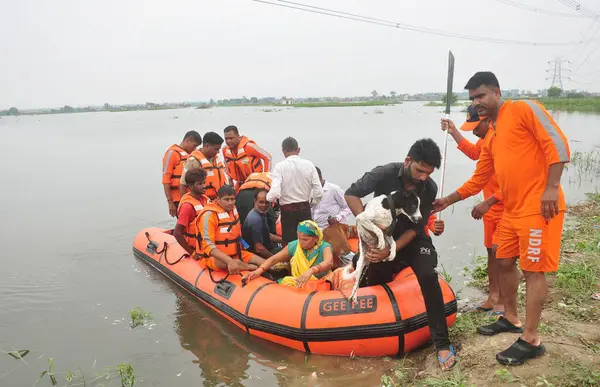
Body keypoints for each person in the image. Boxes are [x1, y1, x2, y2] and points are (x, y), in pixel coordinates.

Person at [433, 71, 570, 366]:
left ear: (496, 91)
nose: (477, 103)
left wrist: (552, 187)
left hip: (538, 208)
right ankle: (510, 316)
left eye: (481, 96)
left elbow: (557, 144)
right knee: (504, 259)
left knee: (534, 271)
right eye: (472, 99)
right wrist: (447, 200)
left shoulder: (522, 109)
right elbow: (478, 177)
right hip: (512, 210)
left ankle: (531, 338)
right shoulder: (492, 133)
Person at [344, 138, 456, 371]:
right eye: (419, 170)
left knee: (427, 275)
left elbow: (417, 228)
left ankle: (442, 343)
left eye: (428, 173)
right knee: (373, 276)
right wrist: (367, 228)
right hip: (382, 235)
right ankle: (372, 335)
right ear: (408, 161)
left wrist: (391, 249)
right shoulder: (383, 174)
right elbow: (351, 194)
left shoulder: (430, 188)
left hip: (410, 239)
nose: (423, 177)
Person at [441, 105, 505, 315]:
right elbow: (474, 154)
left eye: (476, 126)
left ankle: (504, 300)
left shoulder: (504, 139)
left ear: (488, 120)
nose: (473, 131)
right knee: (490, 251)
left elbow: (518, 180)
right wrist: (454, 132)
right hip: (490, 207)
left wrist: (489, 201)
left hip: (507, 206)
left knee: (501, 252)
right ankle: (493, 295)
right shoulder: (485, 140)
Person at [242, 220, 334, 288]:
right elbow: (274, 259)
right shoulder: (295, 245)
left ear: (316, 238)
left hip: (321, 282)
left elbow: (329, 262)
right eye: (299, 238)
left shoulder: (324, 247)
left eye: (305, 239)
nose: (301, 242)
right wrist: (259, 271)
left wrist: (311, 271)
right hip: (297, 281)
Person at [195, 185, 265, 274]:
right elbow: (208, 246)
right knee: (222, 262)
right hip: (215, 259)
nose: (230, 203)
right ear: (218, 199)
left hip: (236, 254)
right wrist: (229, 261)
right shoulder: (209, 216)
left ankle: (260, 268)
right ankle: (249, 267)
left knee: (264, 262)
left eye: (232, 199)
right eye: (226, 199)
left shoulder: (233, 209)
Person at [266, 137, 324, 245]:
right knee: (308, 242)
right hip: (305, 210)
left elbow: (274, 193)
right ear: (298, 150)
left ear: (283, 151)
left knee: (290, 245)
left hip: (288, 213)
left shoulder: (279, 167)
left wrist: (267, 198)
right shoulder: (309, 165)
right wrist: (310, 204)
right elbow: (319, 192)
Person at [161, 131, 202, 217]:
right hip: (177, 198)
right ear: (187, 140)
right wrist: (170, 202)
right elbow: (166, 180)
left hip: (191, 197)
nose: (194, 149)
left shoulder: (191, 156)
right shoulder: (172, 154)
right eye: (194, 146)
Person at [180, 132, 228, 201]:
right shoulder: (193, 161)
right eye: (216, 149)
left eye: (219, 149)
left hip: (218, 201)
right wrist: (183, 202)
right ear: (207, 146)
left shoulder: (216, 159)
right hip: (201, 201)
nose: (218, 152)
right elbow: (183, 184)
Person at [223, 125, 272, 191]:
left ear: (238, 136)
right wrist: (230, 183)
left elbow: (268, 157)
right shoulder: (225, 150)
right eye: (226, 139)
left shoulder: (248, 146)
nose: (228, 141)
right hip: (239, 184)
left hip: (254, 183)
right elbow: (227, 167)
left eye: (231, 138)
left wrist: (265, 178)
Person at [173, 169, 210, 256]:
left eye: (204, 182)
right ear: (190, 186)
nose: (204, 186)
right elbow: (177, 232)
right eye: (200, 184)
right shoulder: (187, 206)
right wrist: (192, 253)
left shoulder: (204, 199)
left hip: (208, 244)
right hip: (196, 247)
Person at [242, 189, 282, 258]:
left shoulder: (260, 213)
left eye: (267, 203)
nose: (264, 205)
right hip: (258, 255)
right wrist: (274, 260)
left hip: (266, 249)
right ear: (255, 201)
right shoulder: (255, 219)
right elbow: (259, 248)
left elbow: (266, 234)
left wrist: (283, 240)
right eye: (261, 202)